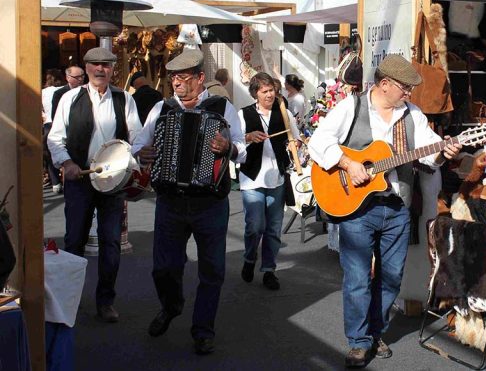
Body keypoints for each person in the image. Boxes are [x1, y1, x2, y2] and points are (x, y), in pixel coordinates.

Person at [307, 54, 461, 368]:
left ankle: (375, 331)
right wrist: (349, 163)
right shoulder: (352, 106)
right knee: (358, 278)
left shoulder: (412, 114)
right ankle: (359, 342)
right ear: (385, 84)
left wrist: (445, 152)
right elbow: (318, 140)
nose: (409, 93)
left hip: (397, 207)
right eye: (405, 87)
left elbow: (430, 153)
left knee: (391, 277)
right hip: (358, 208)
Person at [131, 49, 246, 355]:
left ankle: (203, 329)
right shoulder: (162, 108)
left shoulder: (222, 106)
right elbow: (139, 143)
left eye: (183, 78)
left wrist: (228, 148)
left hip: (210, 203)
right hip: (170, 201)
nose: (177, 84)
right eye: (173, 78)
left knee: (213, 270)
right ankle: (172, 305)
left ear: (199, 78)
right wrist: (141, 153)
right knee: (163, 268)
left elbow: (242, 147)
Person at [47, 47, 143, 323]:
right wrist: (67, 164)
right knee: (74, 240)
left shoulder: (124, 98)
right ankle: (70, 299)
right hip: (80, 179)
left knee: (111, 243)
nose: (101, 69)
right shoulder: (69, 98)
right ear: (86, 68)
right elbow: (55, 138)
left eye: (106, 65)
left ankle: (105, 301)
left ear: (113, 69)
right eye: (95, 65)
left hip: (112, 182)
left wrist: (128, 158)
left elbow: (136, 136)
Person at [238, 72, 300, 290]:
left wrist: (297, 145)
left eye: (272, 90)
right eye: (264, 91)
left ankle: (269, 270)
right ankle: (249, 258)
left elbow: (296, 137)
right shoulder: (243, 114)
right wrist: (248, 137)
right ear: (256, 93)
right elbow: (234, 142)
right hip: (252, 178)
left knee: (273, 228)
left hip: (277, 177)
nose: (269, 94)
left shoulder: (284, 113)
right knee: (254, 226)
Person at [42, 69, 65, 193]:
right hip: (60, 122)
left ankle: (55, 182)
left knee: (50, 154)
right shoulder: (63, 91)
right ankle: (64, 179)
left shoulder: (43, 92)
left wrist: (43, 115)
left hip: (48, 123)